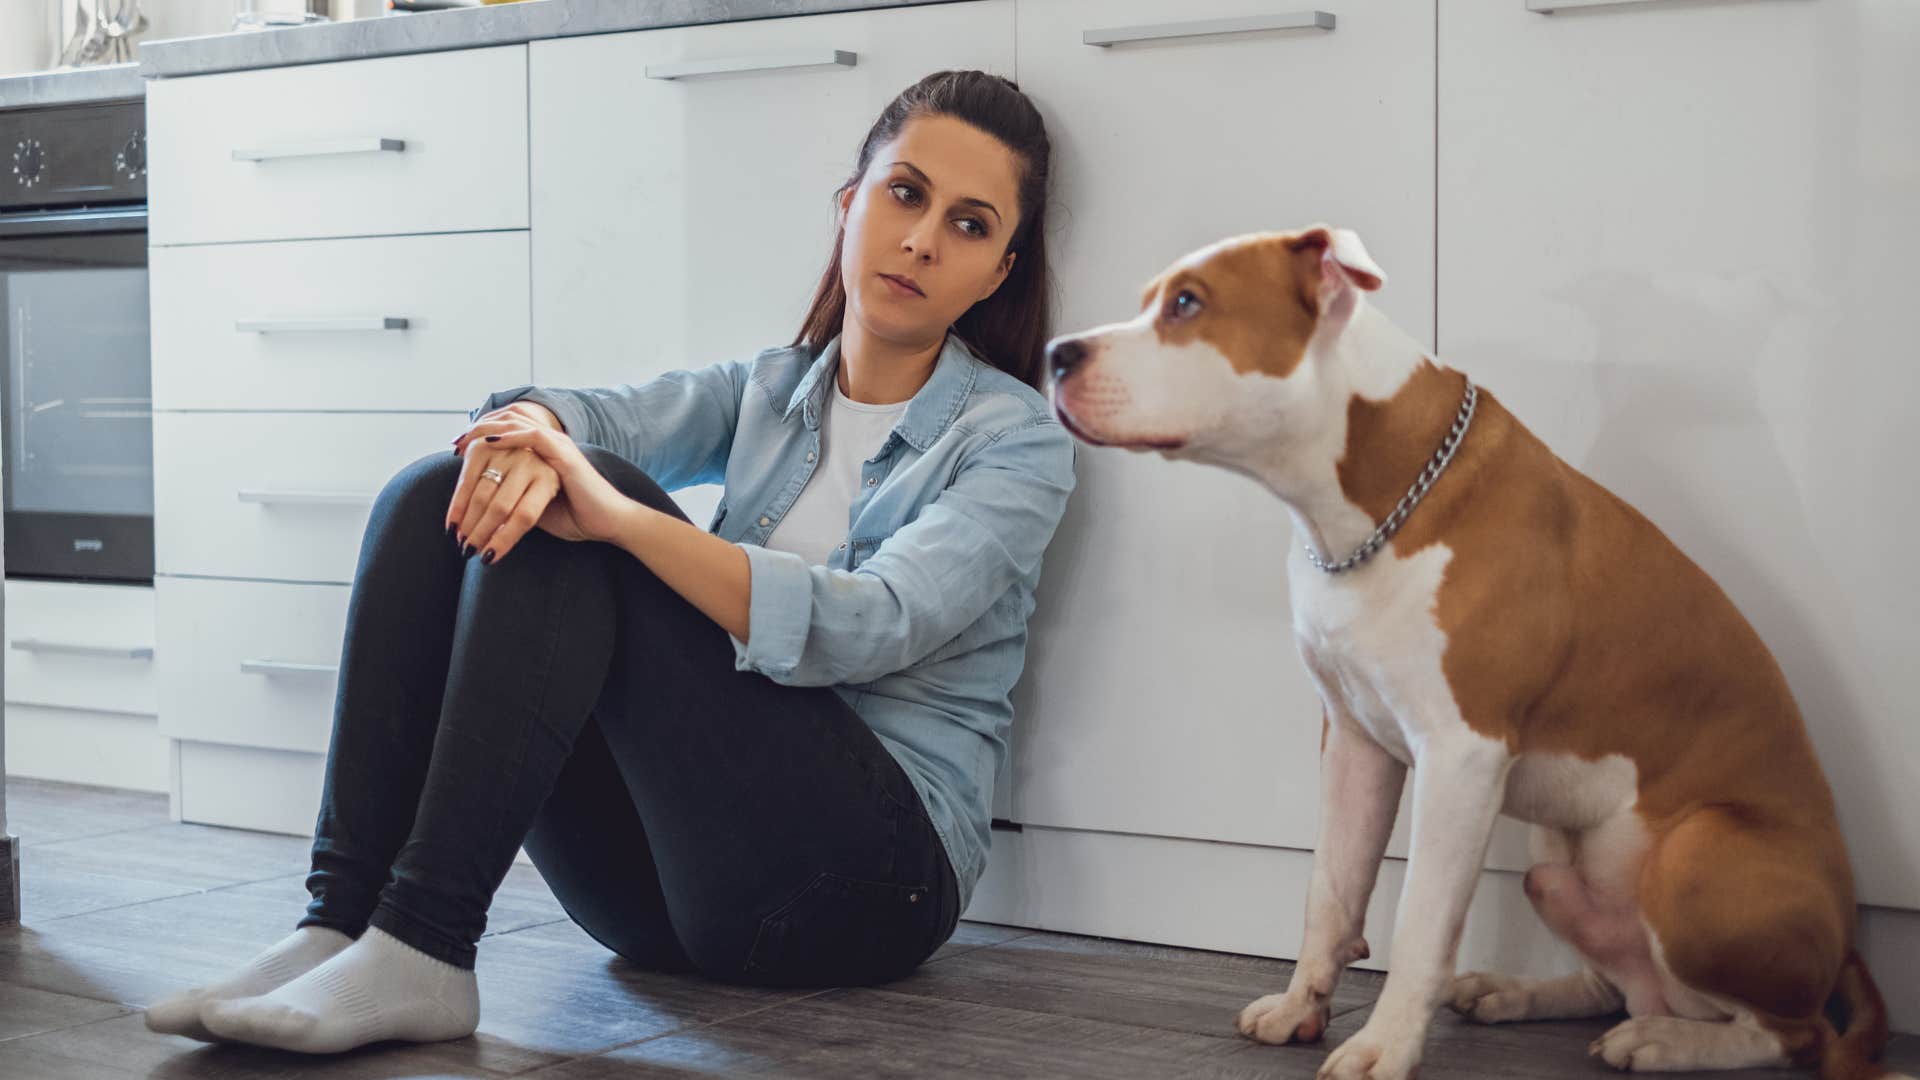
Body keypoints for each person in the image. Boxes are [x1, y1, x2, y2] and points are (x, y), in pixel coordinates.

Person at [145, 68, 1076, 1055]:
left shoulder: (1014, 441)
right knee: (437, 490)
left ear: (998, 272)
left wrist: (624, 520)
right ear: (850, 206)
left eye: (969, 225)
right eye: (905, 194)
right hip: (661, 900)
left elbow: (870, 625)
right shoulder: (767, 391)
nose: (923, 239)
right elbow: (600, 417)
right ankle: (339, 920)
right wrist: (533, 430)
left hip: (865, 889)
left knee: (591, 517)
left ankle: (425, 941)